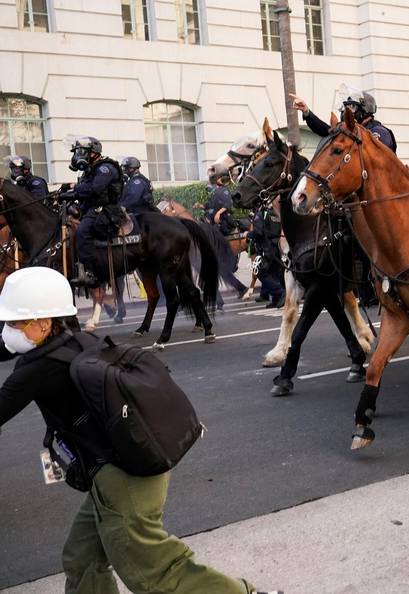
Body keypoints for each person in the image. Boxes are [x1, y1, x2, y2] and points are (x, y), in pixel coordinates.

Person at [0, 267, 281, 594]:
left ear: (43, 323)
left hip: (123, 481)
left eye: (13, 323)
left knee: (151, 572)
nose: (7, 331)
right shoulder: (83, 340)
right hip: (129, 460)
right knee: (82, 557)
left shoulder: (38, 368)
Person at [59, 137, 123, 286]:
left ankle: (89, 272)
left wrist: (74, 191)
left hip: (106, 209)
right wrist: (68, 191)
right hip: (91, 207)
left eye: (81, 152)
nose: (77, 156)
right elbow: (84, 187)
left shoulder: (104, 168)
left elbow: (94, 189)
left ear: (93, 153)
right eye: (76, 152)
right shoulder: (92, 168)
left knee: (82, 230)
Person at [290, 86, 397, 153]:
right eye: (345, 108)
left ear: (365, 110)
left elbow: (371, 157)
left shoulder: (379, 132)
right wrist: (306, 111)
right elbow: (325, 130)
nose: (346, 112)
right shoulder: (350, 131)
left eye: (352, 107)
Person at [248, 208, 285, 308]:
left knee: (260, 271)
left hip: (266, 247)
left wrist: (248, 234)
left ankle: (280, 292)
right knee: (274, 273)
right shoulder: (275, 213)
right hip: (277, 246)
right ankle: (276, 299)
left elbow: (258, 232)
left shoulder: (260, 215)